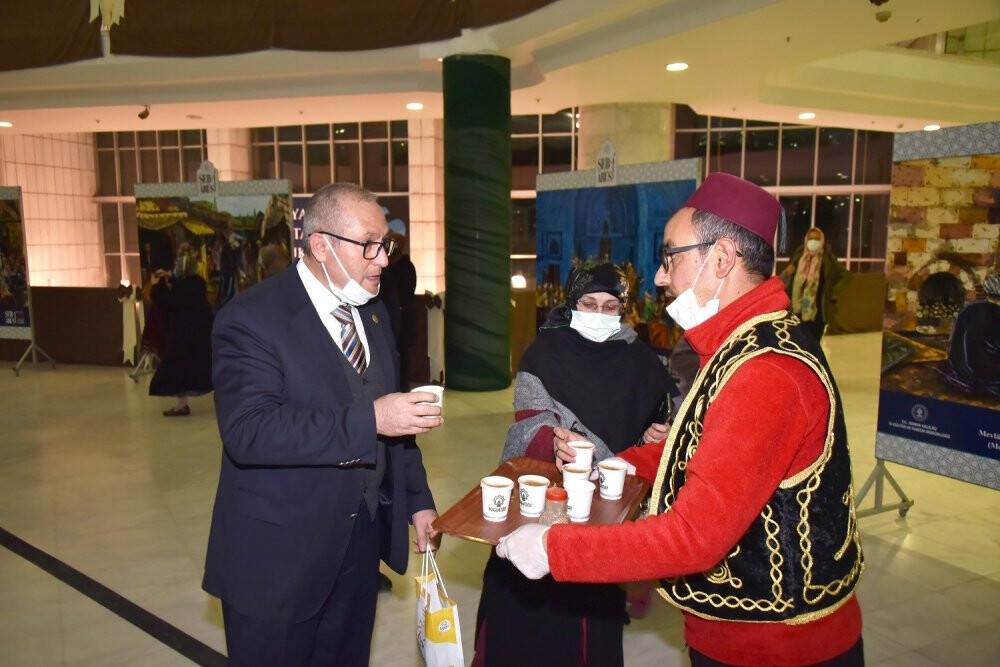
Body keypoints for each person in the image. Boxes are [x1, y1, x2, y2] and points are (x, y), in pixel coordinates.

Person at [497, 173, 865, 667]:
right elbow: (699, 446)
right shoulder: (743, 346)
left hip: (774, 648)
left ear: (721, 258)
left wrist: (552, 548)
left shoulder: (765, 373)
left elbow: (692, 537)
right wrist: (624, 466)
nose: (660, 277)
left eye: (671, 256)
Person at [203, 183, 444, 667]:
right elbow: (250, 431)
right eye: (369, 246)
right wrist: (373, 417)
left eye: (386, 245)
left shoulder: (373, 313)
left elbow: (395, 428)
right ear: (320, 246)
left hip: (357, 548)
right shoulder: (252, 319)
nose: (382, 260)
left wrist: (417, 502)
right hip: (278, 559)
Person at [473, 261, 676, 667]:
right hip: (539, 502)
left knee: (587, 620)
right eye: (589, 303)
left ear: (623, 308)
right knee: (524, 611)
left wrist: (656, 437)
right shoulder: (545, 351)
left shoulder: (643, 361)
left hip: (600, 513)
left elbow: (660, 424)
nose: (599, 314)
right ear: (572, 302)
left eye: (609, 306)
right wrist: (553, 439)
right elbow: (528, 419)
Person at [148, 243, 214, 416]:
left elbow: (166, 302)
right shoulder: (198, 283)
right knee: (197, 368)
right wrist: (171, 278)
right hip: (199, 334)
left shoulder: (182, 287)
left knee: (179, 369)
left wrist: (155, 286)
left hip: (182, 336)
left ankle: (182, 405)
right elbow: (184, 290)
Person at [781, 227, 846, 343]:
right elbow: (784, 279)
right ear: (806, 240)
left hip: (817, 315)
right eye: (811, 238)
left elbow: (844, 276)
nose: (813, 241)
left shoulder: (827, 259)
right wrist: (787, 272)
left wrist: (833, 294)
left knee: (814, 345)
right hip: (796, 312)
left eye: (816, 238)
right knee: (797, 344)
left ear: (822, 241)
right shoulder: (799, 257)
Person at [942, 271, 1000, 398]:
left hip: (968, 379)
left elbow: (957, 358)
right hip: (981, 382)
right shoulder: (974, 313)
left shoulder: (969, 311)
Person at [377, 218, 418, 387]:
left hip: (402, 321)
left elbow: (406, 292)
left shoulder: (405, 267)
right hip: (390, 319)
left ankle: (401, 388)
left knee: (401, 359)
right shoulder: (386, 268)